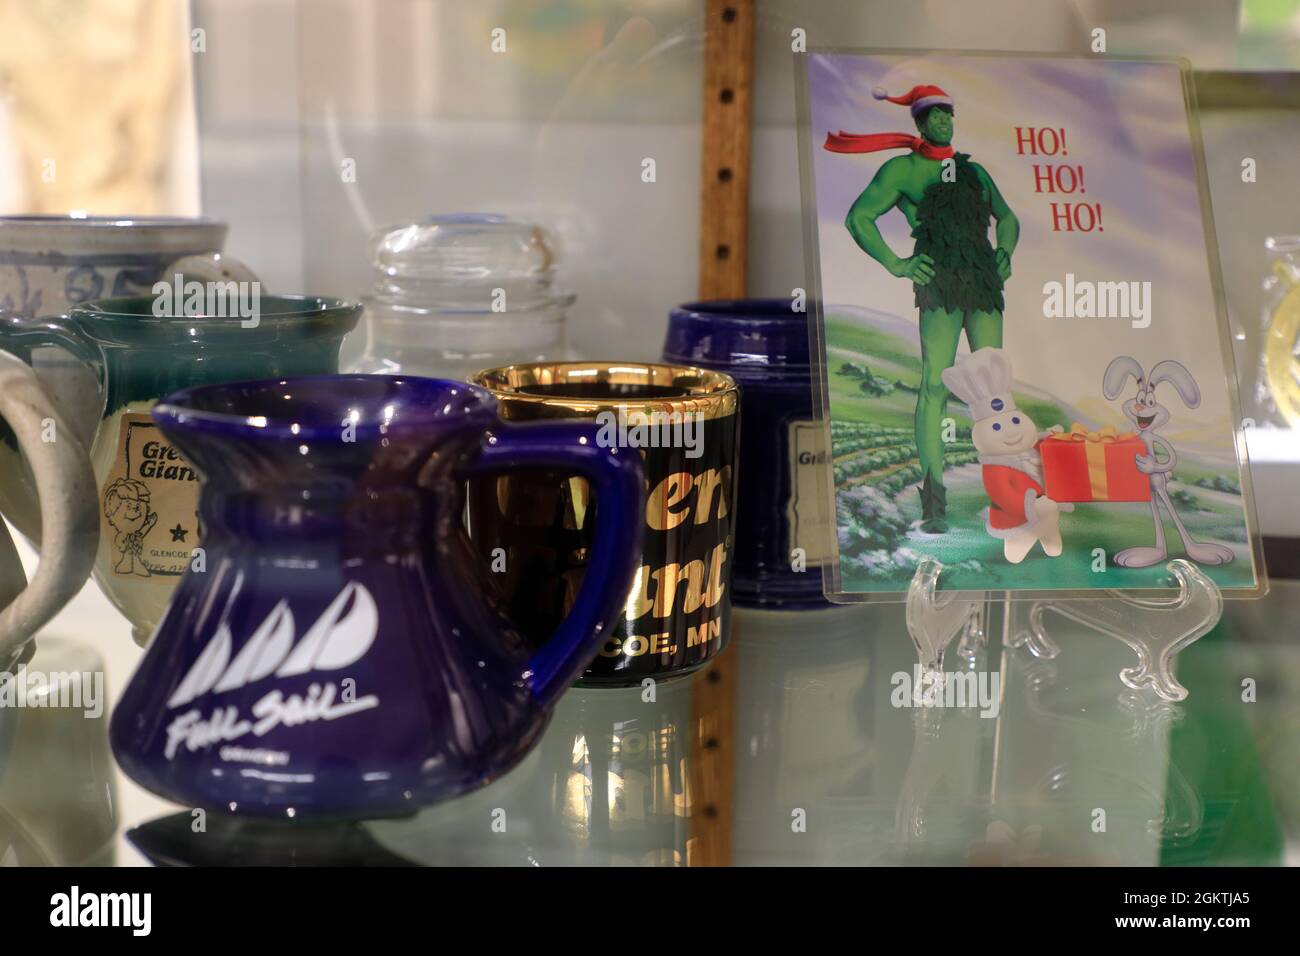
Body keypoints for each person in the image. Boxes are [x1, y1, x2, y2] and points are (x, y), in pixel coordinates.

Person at [827, 84, 1019, 532]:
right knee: (935, 383)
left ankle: (1010, 498)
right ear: (919, 122)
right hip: (939, 281)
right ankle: (934, 501)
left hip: (983, 281)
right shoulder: (902, 170)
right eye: (935, 116)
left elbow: (1006, 217)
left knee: (995, 381)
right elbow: (859, 217)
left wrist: (1005, 249)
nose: (944, 122)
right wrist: (897, 264)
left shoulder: (973, 172)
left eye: (948, 114)